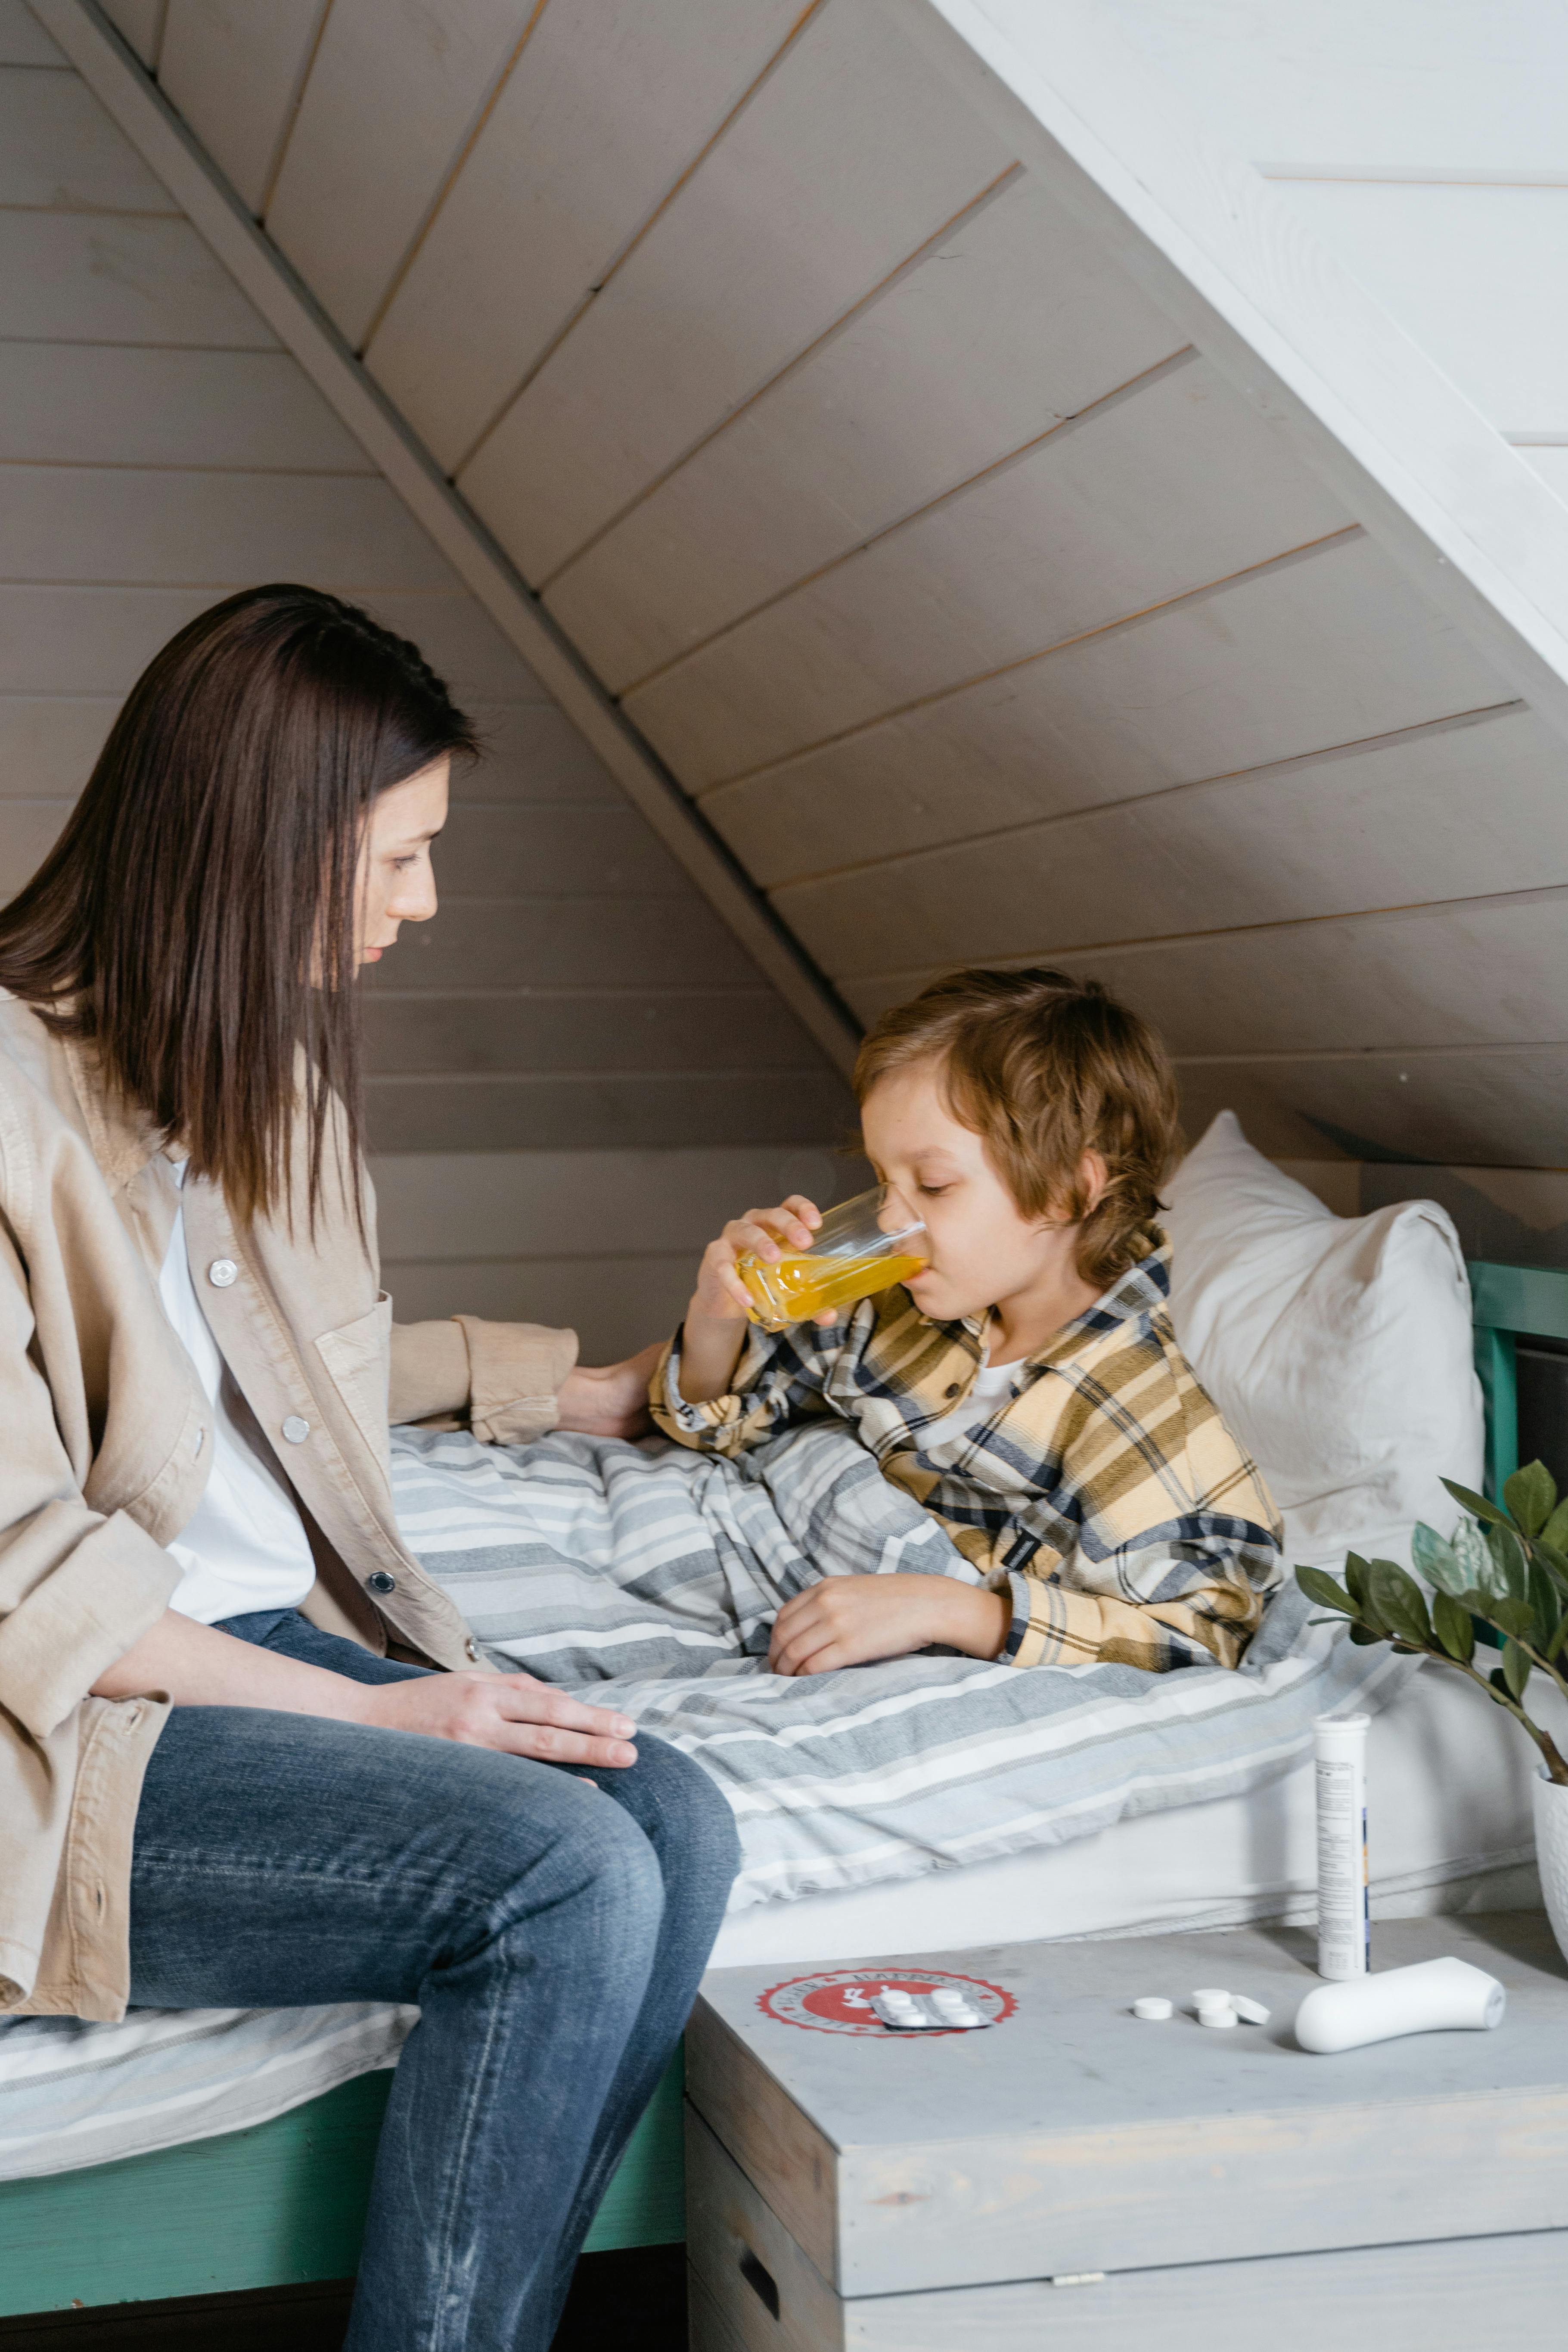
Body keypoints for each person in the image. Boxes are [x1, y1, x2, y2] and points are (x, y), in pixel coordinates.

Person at [0, 584, 738, 2351]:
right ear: (262, 846)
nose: (426, 903)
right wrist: (389, 1720)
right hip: (74, 1724)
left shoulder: (260, 1084)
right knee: (561, 1874)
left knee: (675, 1824)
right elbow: (29, 1567)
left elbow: (255, 1387)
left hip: (252, 1655)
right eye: (398, 856)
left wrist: (546, 1394)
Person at [653, 966, 1282, 1678]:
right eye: (883, 1182)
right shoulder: (899, 1308)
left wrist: (951, 1608)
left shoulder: (1149, 1418)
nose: (890, 1220)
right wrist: (717, 1311)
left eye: (932, 1185)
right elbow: (724, 1423)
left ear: (1068, 1190)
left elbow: (1196, 1640)